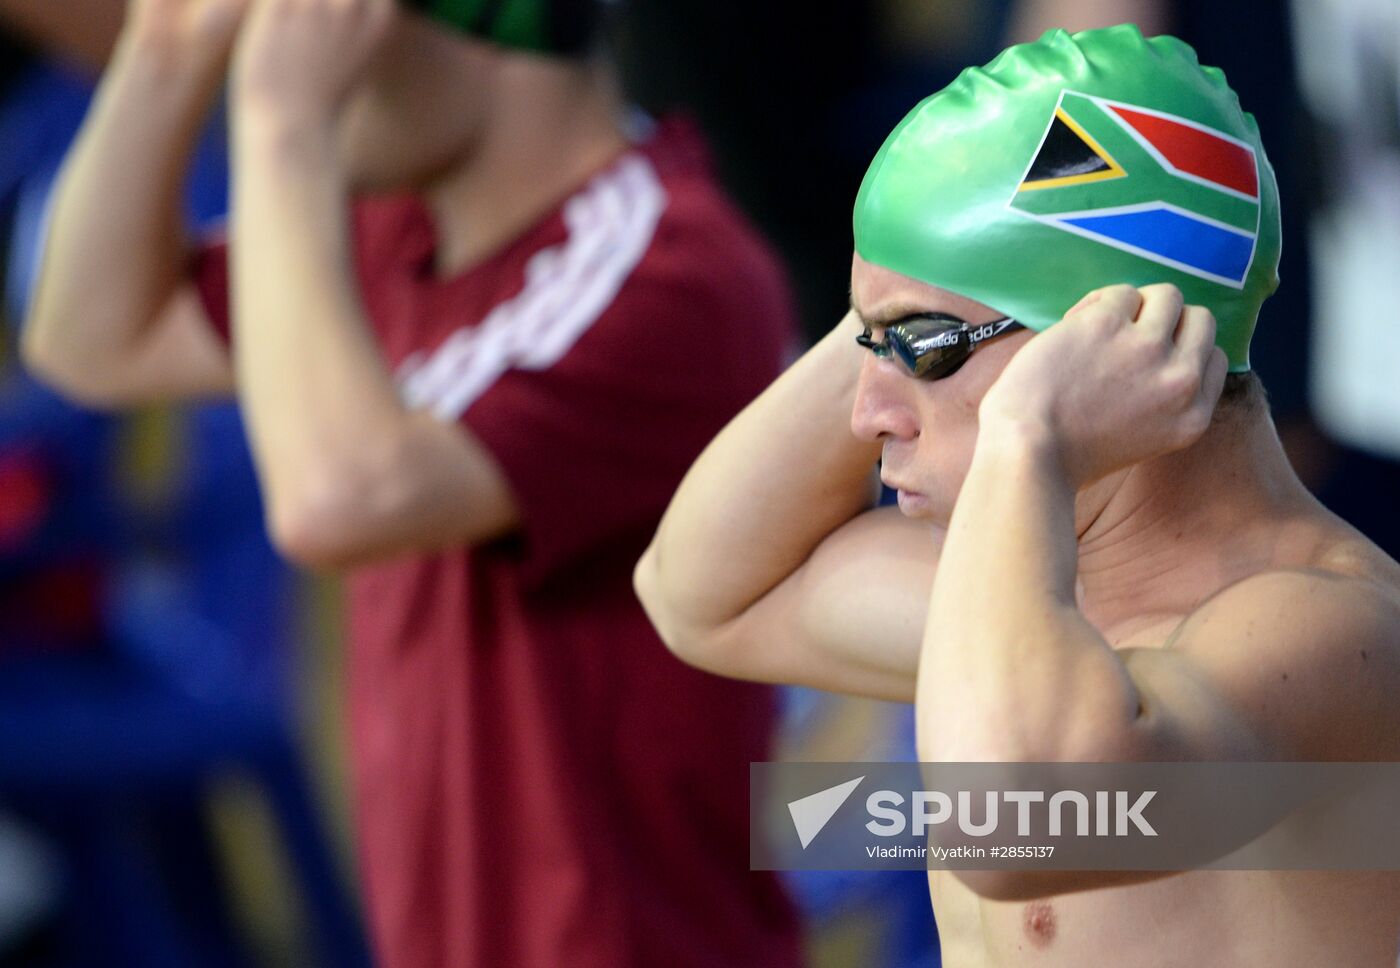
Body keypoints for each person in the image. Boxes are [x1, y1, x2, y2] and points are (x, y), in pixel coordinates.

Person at [20, 0, 801, 965]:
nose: (284, 52)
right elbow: (91, 340)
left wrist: (283, 124)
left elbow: (336, 501)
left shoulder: (672, 265)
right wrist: (169, 44)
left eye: (323, 20)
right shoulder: (387, 240)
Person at [636, 24, 1400, 967]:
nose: (869, 415)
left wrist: (1027, 435)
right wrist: (899, 296)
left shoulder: (1337, 633)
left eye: (922, 348)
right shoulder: (1019, 596)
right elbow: (700, 592)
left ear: (1111, 342)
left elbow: (1013, 824)